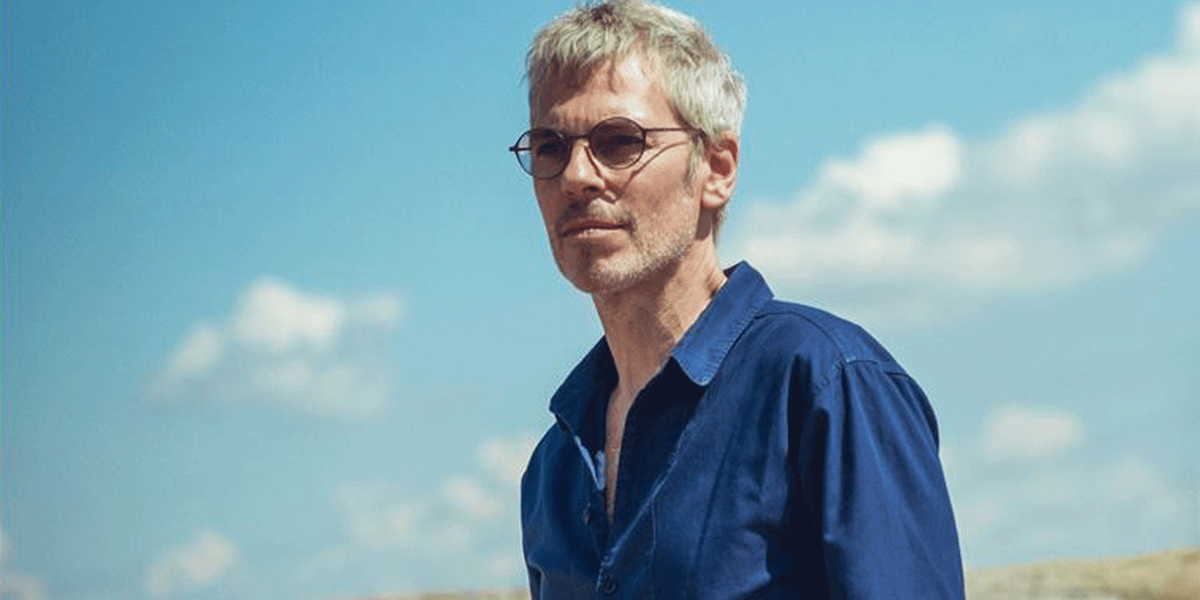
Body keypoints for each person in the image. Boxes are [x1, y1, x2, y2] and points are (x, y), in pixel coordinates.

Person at [509, 1, 964, 598]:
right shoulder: (554, 469)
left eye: (618, 141)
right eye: (550, 147)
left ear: (717, 169)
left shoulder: (826, 382)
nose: (576, 175)